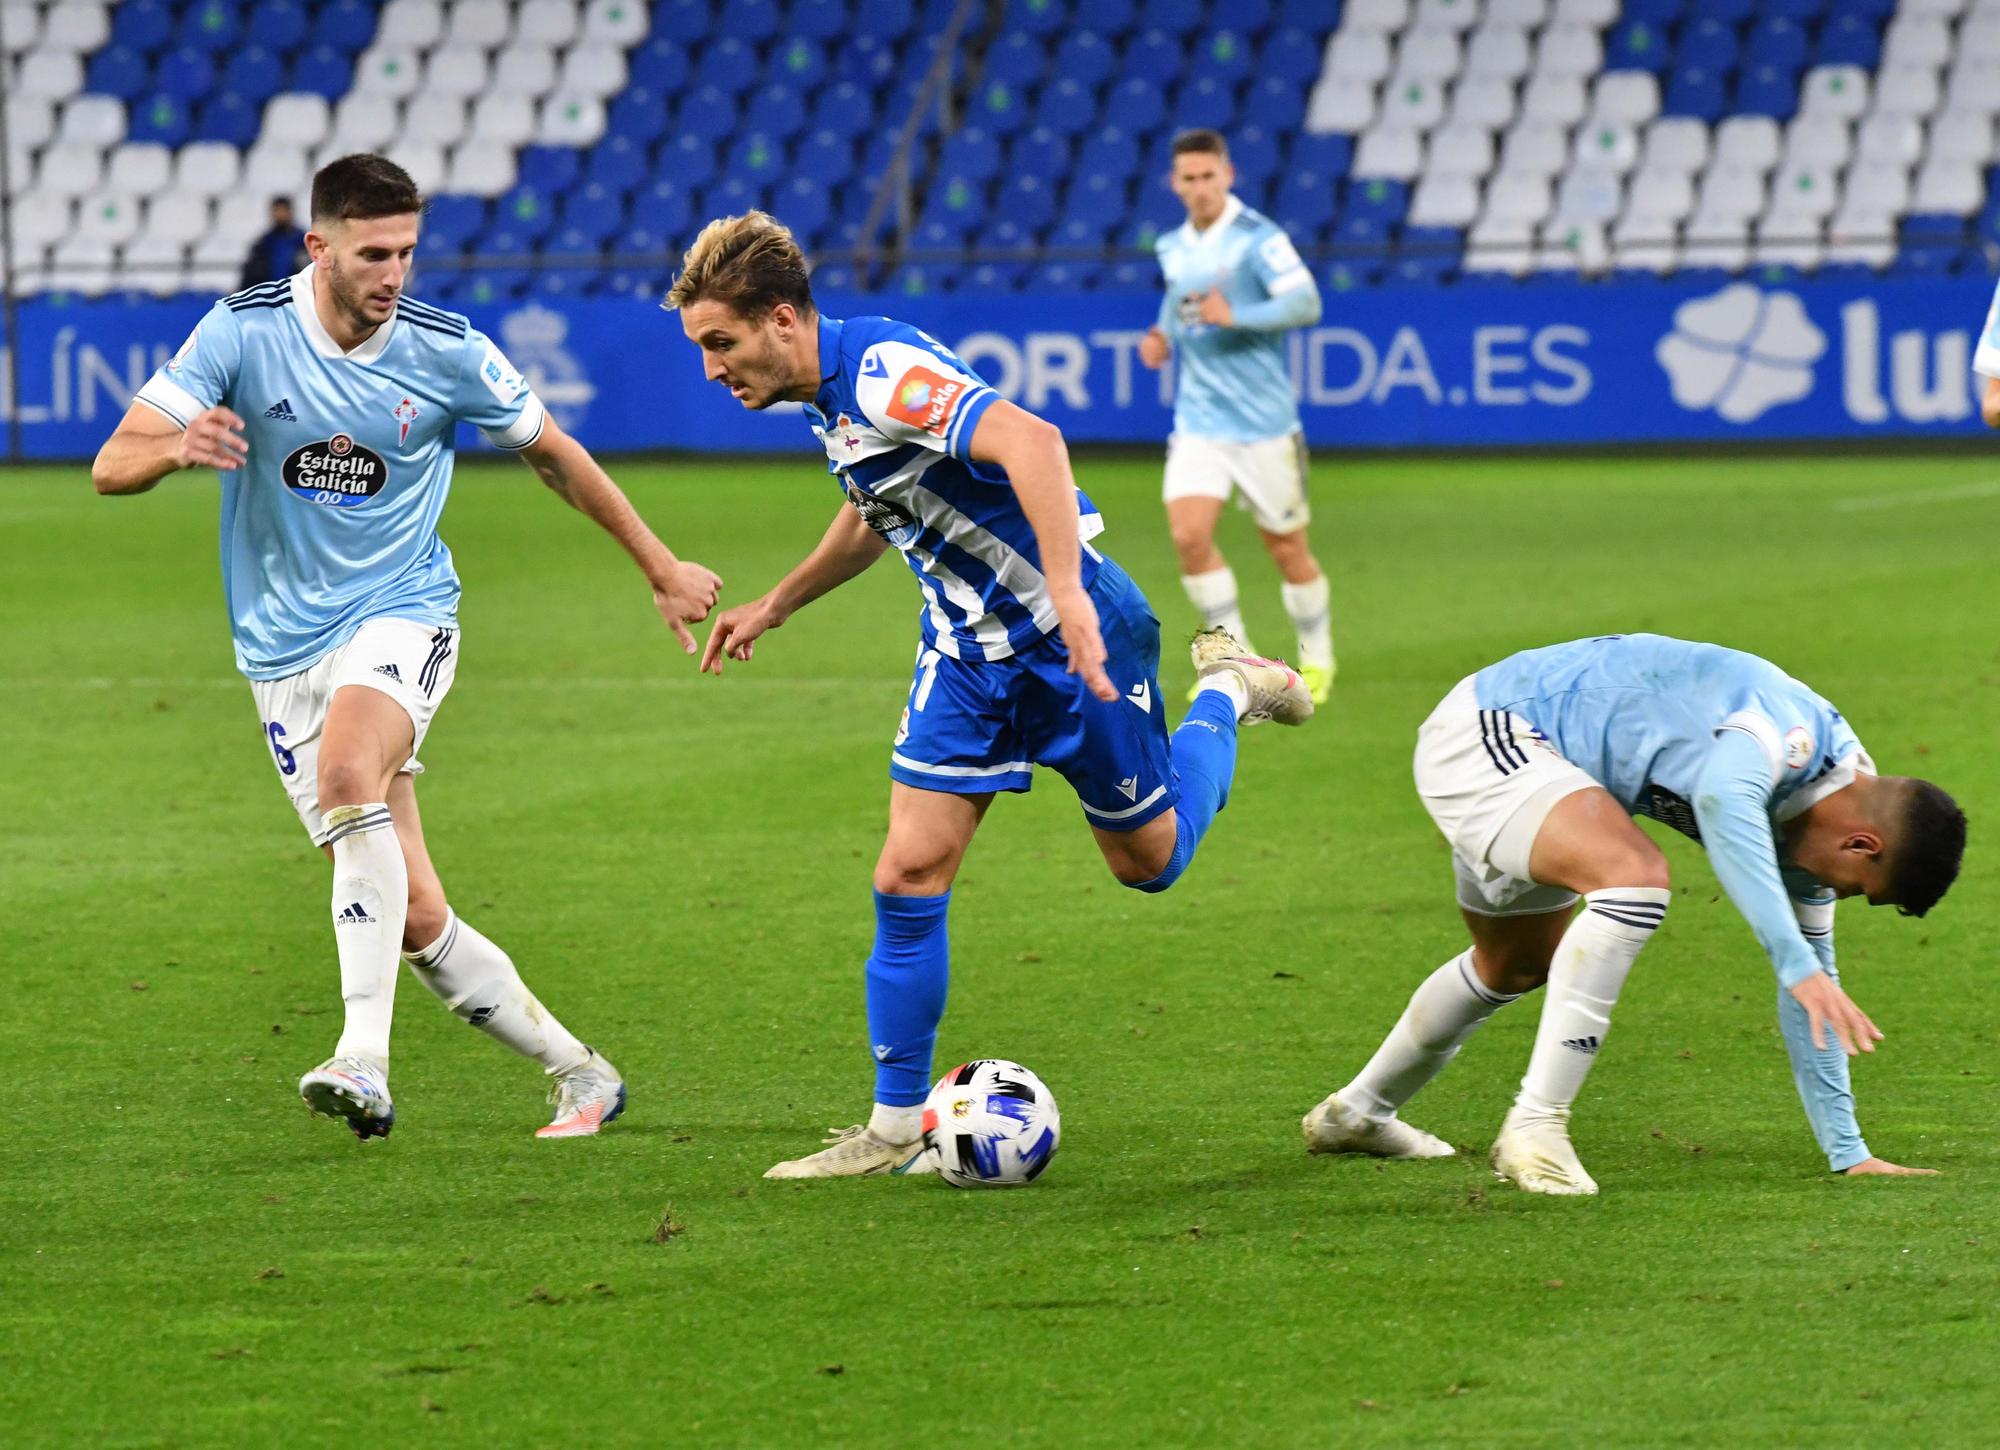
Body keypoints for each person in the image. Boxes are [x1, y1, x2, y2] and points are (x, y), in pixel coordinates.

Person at [665, 211, 1312, 1179]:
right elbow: (876, 508)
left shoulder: (880, 372)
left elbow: (1033, 442)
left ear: (783, 319)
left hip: (1072, 639)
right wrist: (778, 603)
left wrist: (1062, 586)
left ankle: (1224, 689)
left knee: (1150, 862)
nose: (712, 369)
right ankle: (889, 1128)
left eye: (721, 343)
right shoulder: (821, 391)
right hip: (966, 658)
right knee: (906, 874)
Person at [91, 154, 723, 1142]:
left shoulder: (444, 350)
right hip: (278, 651)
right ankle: (580, 1072)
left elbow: (552, 451)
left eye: (407, 252)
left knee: (351, 769)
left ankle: (363, 1059)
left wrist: (656, 563)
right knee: (416, 912)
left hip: (402, 611)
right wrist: (175, 447)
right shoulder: (243, 330)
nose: (393, 274)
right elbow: (110, 463)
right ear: (319, 246)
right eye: (373, 253)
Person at [1303, 633, 1965, 1194]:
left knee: (1512, 965)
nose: (1834, 895)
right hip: (1495, 731)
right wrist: (1796, 964)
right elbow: (1720, 799)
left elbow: (1814, 997)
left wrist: (1850, 1153)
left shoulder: (1827, 823)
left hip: (1557, 774)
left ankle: (1357, 1114)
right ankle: (1536, 1127)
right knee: (1634, 880)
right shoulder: (1789, 736)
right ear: (1862, 844)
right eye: (1856, 887)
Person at [1139, 129, 1333, 704]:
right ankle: (1244, 659)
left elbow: (1307, 303)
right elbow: (1180, 301)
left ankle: (1316, 655)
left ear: (1228, 175)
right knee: (1189, 536)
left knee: (1286, 548)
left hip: (1263, 424)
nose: (1199, 188)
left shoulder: (1257, 238)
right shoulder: (1172, 244)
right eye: (1189, 179)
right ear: (1174, 184)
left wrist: (1238, 313)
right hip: (1199, 422)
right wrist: (1162, 336)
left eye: (1208, 176)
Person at [240, 196, 308, 289]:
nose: (280, 215)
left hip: (298, 292)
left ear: (290, 212)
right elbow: (251, 272)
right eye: (277, 211)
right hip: (270, 295)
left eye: (283, 210)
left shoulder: (303, 240)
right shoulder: (264, 242)